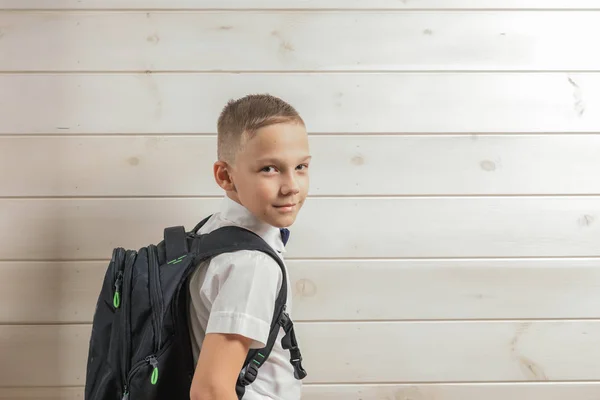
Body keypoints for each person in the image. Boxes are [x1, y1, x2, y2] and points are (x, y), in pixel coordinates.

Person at [188, 94, 311, 400]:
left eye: (301, 166)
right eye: (270, 168)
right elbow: (211, 391)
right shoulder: (251, 264)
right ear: (225, 176)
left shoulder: (211, 231)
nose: (292, 185)